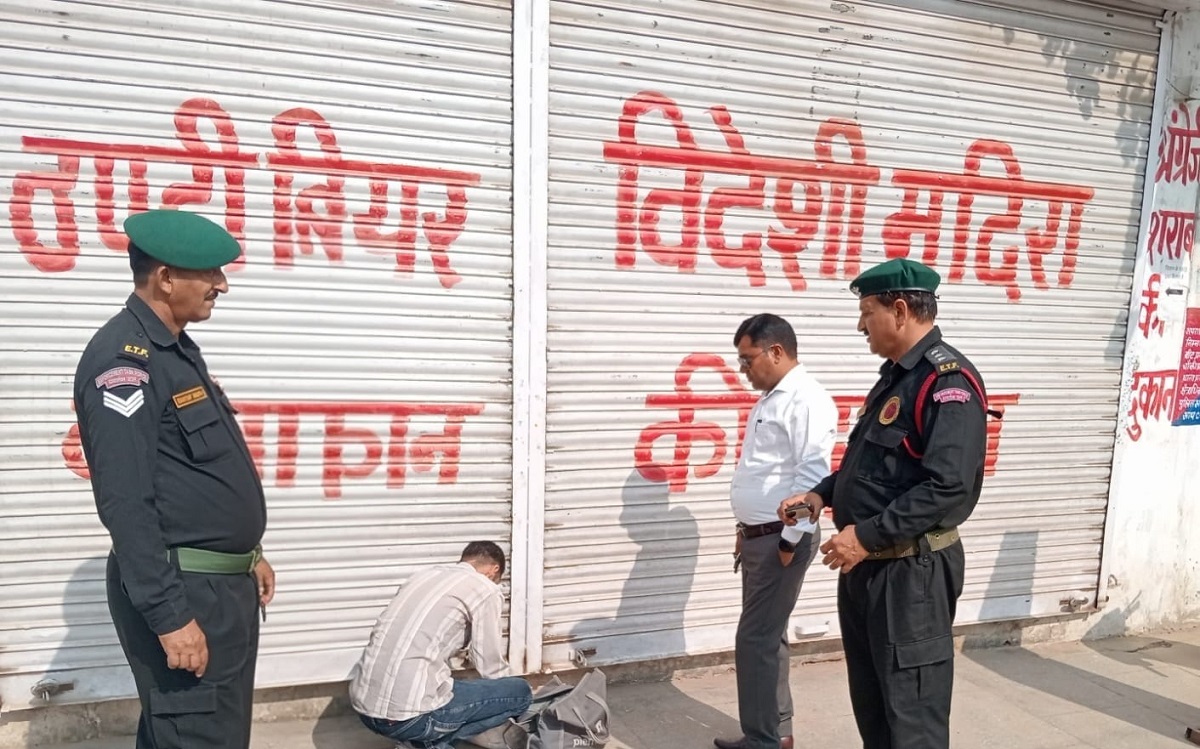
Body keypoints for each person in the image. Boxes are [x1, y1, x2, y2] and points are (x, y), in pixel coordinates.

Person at [73, 209, 273, 749]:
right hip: (187, 595)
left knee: (194, 733)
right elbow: (125, 500)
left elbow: (191, 472)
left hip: (214, 587)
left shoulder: (176, 351)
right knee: (199, 737)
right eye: (209, 273)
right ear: (165, 277)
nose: (222, 285)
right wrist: (168, 616)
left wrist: (245, 553)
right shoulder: (124, 361)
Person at [779, 258, 990, 749]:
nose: (860, 325)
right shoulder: (896, 378)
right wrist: (821, 495)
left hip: (909, 576)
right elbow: (872, 466)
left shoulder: (946, 382)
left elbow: (949, 487)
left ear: (899, 310)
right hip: (868, 570)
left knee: (911, 721)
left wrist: (866, 534)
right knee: (874, 708)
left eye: (865, 311)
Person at [713, 314, 838, 749]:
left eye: (748, 359)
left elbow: (812, 477)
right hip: (760, 535)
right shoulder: (770, 399)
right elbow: (763, 473)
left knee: (755, 639)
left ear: (776, 352)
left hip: (780, 540)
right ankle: (776, 732)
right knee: (769, 635)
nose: (743, 369)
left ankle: (763, 739)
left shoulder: (806, 400)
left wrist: (788, 540)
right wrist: (744, 527)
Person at [350, 541, 532, 749]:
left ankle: (421, 741)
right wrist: (505, 691)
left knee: (454, 687)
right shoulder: (485, 589)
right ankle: (427, 740)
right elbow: (489, 665)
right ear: (494, 570)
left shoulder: (422, 576)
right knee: (520, 692)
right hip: (409, 717)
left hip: (363, 709)